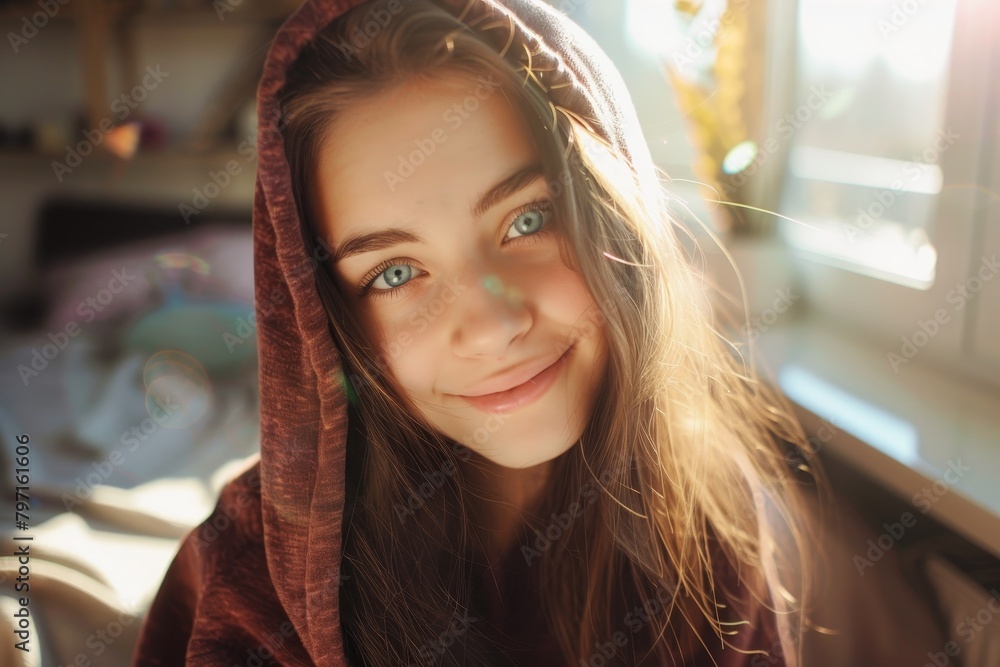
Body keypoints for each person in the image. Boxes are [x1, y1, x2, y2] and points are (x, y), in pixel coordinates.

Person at [132, 0, 826, 664]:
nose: (494, 327)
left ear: (617, 216)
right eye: (396, 273)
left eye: (527, 220)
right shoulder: (249, 580)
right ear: (324, 325)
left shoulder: (711, 516)